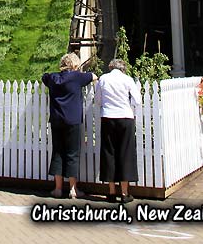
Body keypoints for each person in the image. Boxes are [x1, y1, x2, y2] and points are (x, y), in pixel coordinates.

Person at [42, 52, 96, 199]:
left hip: (57, 120)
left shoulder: (53, 78)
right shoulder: (78, 77)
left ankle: (58, 188)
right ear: (75, 65)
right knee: (72, 153)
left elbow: (44, 76)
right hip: (73, 120)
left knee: (58, 152)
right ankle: (73, 189)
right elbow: (93, 76)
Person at [94, 58, 142, 204]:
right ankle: (124, 192)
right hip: (125, 117)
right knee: (125, 153)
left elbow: (97, 99)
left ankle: (111, 192)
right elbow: (137, 100)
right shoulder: (128, 80)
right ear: (123, 68)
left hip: (108, 117)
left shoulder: (103, 79)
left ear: (110, 67)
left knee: (109, 152)